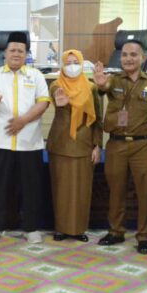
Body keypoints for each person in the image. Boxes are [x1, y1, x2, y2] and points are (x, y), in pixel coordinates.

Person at [93, 40, 147, 254]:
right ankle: (116, 231)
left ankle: (144, 237)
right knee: (116, 191)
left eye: (133, 54)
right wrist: (100, 83)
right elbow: (103, 87)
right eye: (124, 54)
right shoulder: (113, 79)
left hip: (145, 144)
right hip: (117, 144)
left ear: (143, 57)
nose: (128, 58)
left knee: (146, 192)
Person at [0, 32, 50, 244]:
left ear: (26, 54)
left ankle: (31, 228)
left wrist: (23, 120)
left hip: (29, 142)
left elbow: (43, 102)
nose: (16, 54)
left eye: (21, 50)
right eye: (12, 50)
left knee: (31, 187)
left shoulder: (36, 75)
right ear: (5, 53)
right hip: (0, 141)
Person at [47, 50, 102, 242]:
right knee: (60, 188)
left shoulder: (91, 87)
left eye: (75, 62)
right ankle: (61, 228)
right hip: (61, 143)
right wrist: (59, 100)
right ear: (62, 66)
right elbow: (56, 95)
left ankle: (79, 229)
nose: (72, 66)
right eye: (68, 62)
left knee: (82, 189)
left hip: (84, 143)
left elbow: (98, 119)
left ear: (82, 64)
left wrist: (97, 145)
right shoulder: (56, 85)